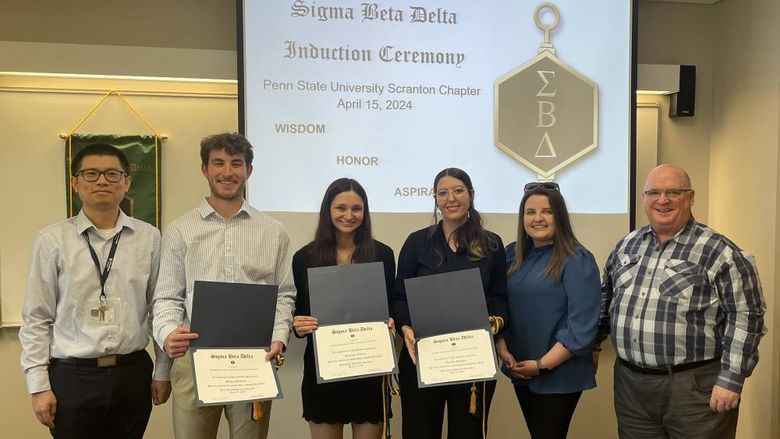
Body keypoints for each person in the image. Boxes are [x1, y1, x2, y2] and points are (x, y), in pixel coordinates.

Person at [597, 164, 766, 439]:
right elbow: (608, 298)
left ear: (691, 197)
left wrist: (731, 380)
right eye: (653, 192)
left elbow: (747, 315)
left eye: (673, 192)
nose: (662, 200)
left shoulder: (719, 251)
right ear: (643, 198)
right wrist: (593, 346)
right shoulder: (626, 246)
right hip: (631, 387)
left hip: (695, 389)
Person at [19, 143, 171, 439]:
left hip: (132, 372)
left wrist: (162, 371)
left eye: (113, 174)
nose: (102, 181)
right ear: (75, 182)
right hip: (73, 376)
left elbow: (160, 306)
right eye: (91, 173)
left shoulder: (150, 238)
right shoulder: (51, 241)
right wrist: (38, 386)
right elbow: (37, 317)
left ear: (127, 182)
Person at [151, 132, 296, 439]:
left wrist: (278, 338)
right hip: (193, 358)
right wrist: (167, 334)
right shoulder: (180, 230)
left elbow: (284, 294)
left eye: (236, 164)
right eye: (218, 163)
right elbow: (166, 297)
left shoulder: (274, 231)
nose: (227, 172)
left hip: (255, 358)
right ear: (204, 169)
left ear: (249, 171)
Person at [390, 167, 508, 439]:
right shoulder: (416, 242)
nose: (450, 198)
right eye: (442, 193)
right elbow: (399, 296)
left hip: (471, 359)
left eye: (457, 190)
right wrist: (405, 327)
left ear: (471, 195)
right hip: (421, 355)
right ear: (435, 198)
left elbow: (499, 297)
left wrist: (495, 321)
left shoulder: (491, 244)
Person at [291, 178, 396, 439]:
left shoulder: (382, 254)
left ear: (365, 212)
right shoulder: (305, 258)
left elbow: (390, 307)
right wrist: (298, 324)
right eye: (341, 208)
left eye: (357, 208)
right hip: (323, 371)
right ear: (328, 210)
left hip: (368, 370)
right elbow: (299, 313)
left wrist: (391, 322)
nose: (349, 215)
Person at [495, 182, 600, 439]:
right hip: (520, 368)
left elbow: (581, 327)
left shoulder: (577, 259)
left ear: (560, 217)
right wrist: (502, 350)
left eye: (547, 211)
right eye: (530, 212)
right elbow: (498, 304)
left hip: (558, 374)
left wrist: (541, 365)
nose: (537, 218)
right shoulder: (511, 255)